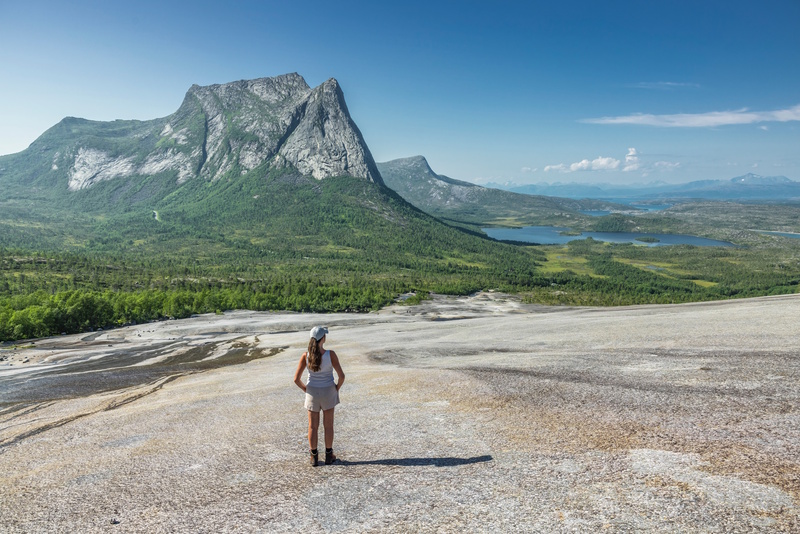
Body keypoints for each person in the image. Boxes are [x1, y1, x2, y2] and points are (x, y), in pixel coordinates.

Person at [293, 326, 345, 466]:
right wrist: (336, 388)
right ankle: (329, 455)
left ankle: (314, 457)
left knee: (312, 427)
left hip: (312, 393)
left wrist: (307, 390)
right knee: (328, 426)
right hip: (328, 391)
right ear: (323, 338)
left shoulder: (306, 356)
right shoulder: (330, 354)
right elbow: (341, 376)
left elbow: (296, 379)